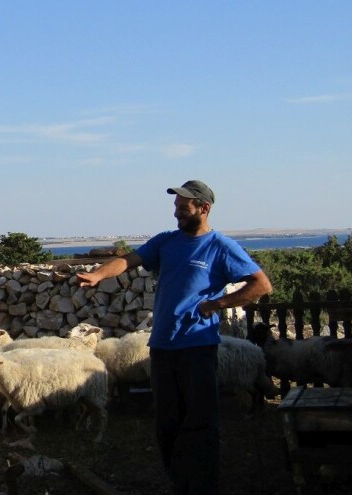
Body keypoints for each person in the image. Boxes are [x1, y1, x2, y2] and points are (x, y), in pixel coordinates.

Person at [76, 180, 272, 495]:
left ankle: (202, 486)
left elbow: (261, 285)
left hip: (198, 349)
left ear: (203, 208)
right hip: (163, 349)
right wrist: (99, 274)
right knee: (166, 425)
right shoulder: (166, 242)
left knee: (200, 424)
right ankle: (180, 482)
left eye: (183, 207)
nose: (176, 212)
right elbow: (129, 260)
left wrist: (218, 304)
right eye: (176, 206)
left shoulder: (219, 246)